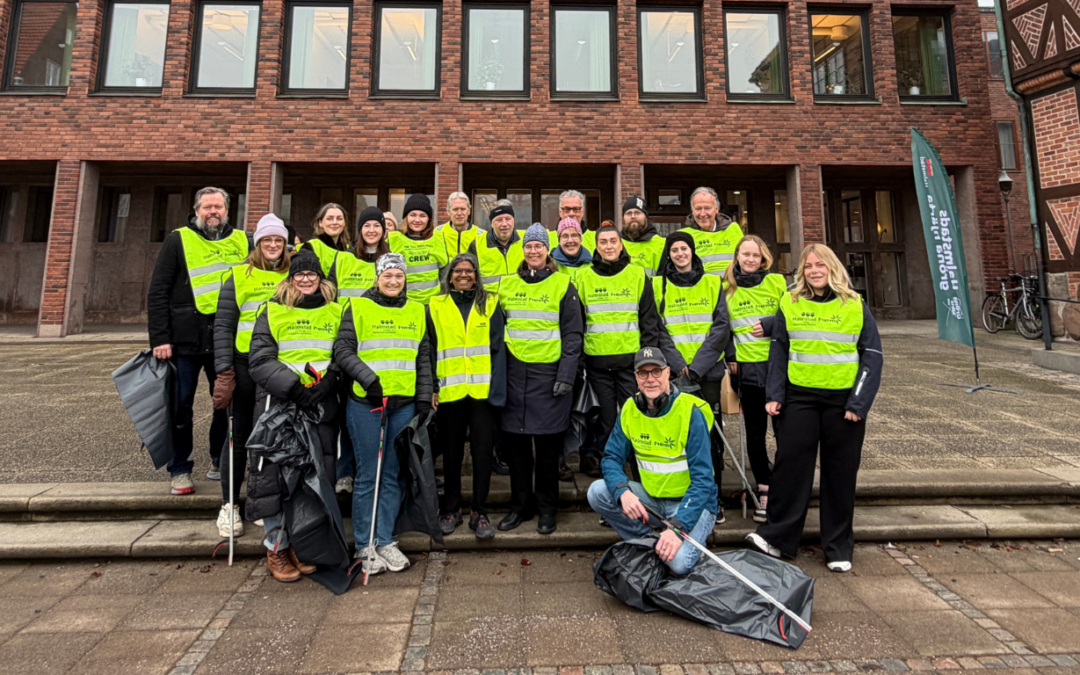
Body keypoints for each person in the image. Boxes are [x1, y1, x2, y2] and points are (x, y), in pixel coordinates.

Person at [746, 244, 882, 573]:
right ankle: (777, 538)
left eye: (820, 265)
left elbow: (872, 357)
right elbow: (778, 352)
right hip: (799, 399)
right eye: (808, 267)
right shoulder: (789, 303)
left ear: (832, 268)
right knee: (790, 467)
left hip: (843, 404)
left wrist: (859, 403)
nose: (814, 271)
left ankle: (837, 547)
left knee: (840, 475)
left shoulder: (855, 305)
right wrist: (775, 395)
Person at [246, 249, 344, 583]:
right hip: (280, 407)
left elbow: (344, 353)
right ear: (290, 279)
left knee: (312, 479)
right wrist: (293, 388)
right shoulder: (272, 310)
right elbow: (259, 359)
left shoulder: (336, 311)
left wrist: (330, 381)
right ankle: (277, 547)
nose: (305, 279)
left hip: (320, 405)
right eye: (299, 275)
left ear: (321, 278)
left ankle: (304, 544)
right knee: (274, 480)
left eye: (311, 274)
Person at [334, 253, 434, 575]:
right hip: (368, 403)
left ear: (406, 279)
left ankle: (386, 540)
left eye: (399, 276)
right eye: (387, 275)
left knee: (392, 474)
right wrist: (367, 379)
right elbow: (343, 351)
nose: (393, 281)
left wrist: (422, 398)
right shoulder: (358, 307)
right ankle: (364, 546)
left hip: (403, 405)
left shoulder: (418, 310)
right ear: (377, 278)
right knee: (368, 476)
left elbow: (423, 358)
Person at [148, 186, 250, 495]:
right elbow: (158, 291)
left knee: (226, 402)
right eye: (207, 207)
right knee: (181, 406)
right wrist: (160, 338)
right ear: (196, 211)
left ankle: (219, 458)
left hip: (225, 338)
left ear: (227, 211)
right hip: (184, 342)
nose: (213, 212)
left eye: (218, 206)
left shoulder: (242, 240)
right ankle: (179, 468)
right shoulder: (178, 240)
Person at [586, 348, 718, 576]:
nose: (650, 379)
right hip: (653, 500)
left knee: (679, 564)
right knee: (597, 492)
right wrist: (622, 491)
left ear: (668, 373)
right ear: (636, 378)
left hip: (691, 504)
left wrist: (678, 527)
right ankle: (652, 541)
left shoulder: (690, 411)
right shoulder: (629, 409)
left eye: (656, 372)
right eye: (643, 374)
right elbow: (611, 459)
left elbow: (704, 481)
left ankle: (678, 543)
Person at [497, 224, 583, 534]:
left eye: (539, 246)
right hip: (514, 377)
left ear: (548, 251)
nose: (534, 251)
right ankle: (520, 506)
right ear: (523, 250)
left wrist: (567, 375)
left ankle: (548, 509)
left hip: (549, 379)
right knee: (517, 451)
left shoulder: (563, 284)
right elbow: (496, 335)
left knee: (548, 452)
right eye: (529, 246)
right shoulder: (506, 285)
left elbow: (573, 335)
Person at [211, 214, 291, 537]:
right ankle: (230, 505)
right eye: (267, 240)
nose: (273, 245)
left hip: (277, 367)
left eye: (278, 240)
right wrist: (223, 371)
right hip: (244, 366)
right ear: (257, 243)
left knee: (270, 438)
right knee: (239, 436)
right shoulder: (238, 275)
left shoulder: (292, 274)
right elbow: (223, 326)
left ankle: (259, 503)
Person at [653, 231, 731, 522]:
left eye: (684, 248)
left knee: (710, 439)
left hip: (707, 373)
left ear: (692, 251)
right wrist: (677, 364)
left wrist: (696, 366)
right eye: (674, 250)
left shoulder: (713, 283)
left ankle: (713, 499)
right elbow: (659, 328)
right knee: (676, 437)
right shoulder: (658, 284)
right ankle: (683, 496)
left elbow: (721, 327)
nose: (679, 254)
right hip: (673, 374)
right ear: (669, 254)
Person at [574, 222, 663, 478]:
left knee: (637, 419)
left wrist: (647, 363)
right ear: (596, 247)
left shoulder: (637, 275)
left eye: (613, 241)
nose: (609, 246)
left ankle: (641, 479)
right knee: (605, 423)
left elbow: (649, 322)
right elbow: (578, 323)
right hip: (597, 365)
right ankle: (612, 481)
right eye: (603, 242)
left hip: (631, 366)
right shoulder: (583, 277)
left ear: (621, 245)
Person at [428, 252, 506, 539]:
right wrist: (432, 388)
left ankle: (479, 512)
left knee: (482, 453)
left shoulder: (491, 302)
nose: (464, 275)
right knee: (451, 454)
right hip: (449, 393)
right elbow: (430, 348)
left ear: (477, 274)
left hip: (483, 394)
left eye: (469, 270)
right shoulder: (435, 305)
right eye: (458, 270)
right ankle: (451, 509)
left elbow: (499, 349)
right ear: (449, 275)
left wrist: (498, 389)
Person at [722, 235, 788, 522]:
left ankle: (785, 486)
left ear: (764, 259)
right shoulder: (726, 288)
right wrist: (730, 356)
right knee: (755, 433)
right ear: (737, 256)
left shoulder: (777, 283)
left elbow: (793, 315)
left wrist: (770, 325)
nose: (750, 259)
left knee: (785, 433)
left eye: (756, 255)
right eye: (745, 254)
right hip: (746, 370)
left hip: (779, 369)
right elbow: (722, 326)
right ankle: (764, 486)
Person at [326, 206, 390, 494]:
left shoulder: (390, 261)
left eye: (377, 226)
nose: (372, 230)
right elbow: (328, 298)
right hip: (347, 346)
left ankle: (373, 471)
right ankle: (344, 472)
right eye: (367, 226)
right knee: (346, 413)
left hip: (381, 346)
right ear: (360, 230)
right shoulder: (342, 261)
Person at [388, 194, 448, 305]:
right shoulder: (394, 240)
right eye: (413, 215)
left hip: (432, 304)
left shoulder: (438, 239)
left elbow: (444, 275)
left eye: (422, 215)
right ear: (406, 217)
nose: (417, 220)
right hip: (403, 304)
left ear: (428, 219)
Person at [681, 187, 743, 277]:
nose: (702, 214)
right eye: (698, 209)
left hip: (733, 288)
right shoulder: (684, 236)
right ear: (692, 210)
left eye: (707, 208)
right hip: (701, 289)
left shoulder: (734, 229)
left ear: (716, 209)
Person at [469, 200, 523, 291]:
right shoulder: (477, 244)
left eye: (508, 219)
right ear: (492, 223)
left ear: (513, 220)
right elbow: (470, 278)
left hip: (520, 301)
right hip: (489, 303)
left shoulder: (526, 241)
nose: (504, 224)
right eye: (499, 220)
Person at [301, 203, 352, 277]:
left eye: (339, 218)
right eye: (329, 218)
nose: (335, 222)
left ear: (344, 223)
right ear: (320, 223)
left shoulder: (349, 249)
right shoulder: (309, 247)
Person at [620, 196, 665, 276]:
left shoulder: (661, 244)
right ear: (623, 218)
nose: (633, 216)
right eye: (628, 213)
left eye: (637, 212)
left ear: (646, 217)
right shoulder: (616, 244)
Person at [437, 192, 482, 259]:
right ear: (448, 212)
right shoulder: (438, 232)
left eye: (463, 209)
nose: (459, 213)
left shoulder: (481, 235)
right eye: (455, 209)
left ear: (469, 211)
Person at [551, 217, 592, 283]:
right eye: (565, 236)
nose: (570, 240)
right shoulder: (550, 265)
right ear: (559, 240)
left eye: (574, 235)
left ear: (581, 239)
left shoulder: (592, 265)